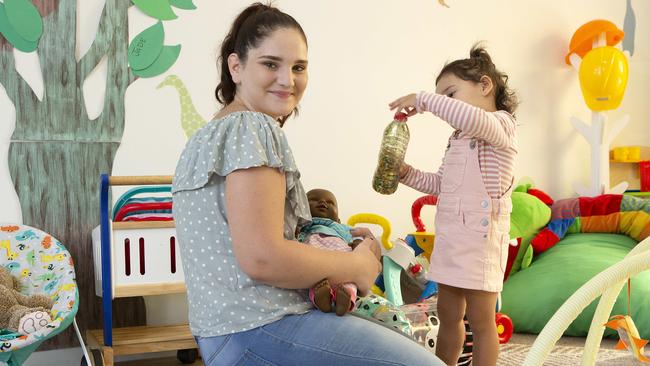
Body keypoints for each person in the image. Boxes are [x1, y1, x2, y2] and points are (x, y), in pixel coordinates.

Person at [172, 3, 445, 365]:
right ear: (235, 66)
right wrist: (359, 267)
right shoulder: (253, 128)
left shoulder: (206, 137)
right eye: (271, 64)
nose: (288, 80)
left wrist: (340, 240)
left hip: (223, 335)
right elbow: (262, 257)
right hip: (261, 327)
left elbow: (254, 238)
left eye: (298, 67)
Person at [388, 44, 518, 366]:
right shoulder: (457, 139)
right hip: (451, 239)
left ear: (485, 86)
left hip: (480, 242)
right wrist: (406, 173)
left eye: (450, 94)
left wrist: (424, 100)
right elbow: (440, 186)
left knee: (482, 319)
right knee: (448, 315)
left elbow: (470, 117)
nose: (444, 107)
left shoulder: (501, 126)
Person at [298, 188, 361, 316]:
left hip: (343, 260)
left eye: (330, 202)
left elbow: (358, 239)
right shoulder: (304, 224)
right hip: (316, 258)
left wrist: (358, 245)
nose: (322, 202)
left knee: (349, 282)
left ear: (338, 219)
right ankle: (321, 298)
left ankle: (345, 300)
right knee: (315, 281)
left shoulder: (343, 228)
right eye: (313, 200)